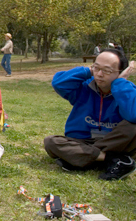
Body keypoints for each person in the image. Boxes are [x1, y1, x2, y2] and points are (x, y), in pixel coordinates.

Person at [44, 49, 136, 180]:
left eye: (107, 70)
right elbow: (58, 83)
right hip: (83, 141)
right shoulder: (83, 87)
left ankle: (82, 159)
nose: (99, 74)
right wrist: (88, 71)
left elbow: (133, 115)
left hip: (114, 142)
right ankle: (112, 160)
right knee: (51, 142)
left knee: (133, 127)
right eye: (96, 68)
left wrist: (120, 83)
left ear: (120, 73)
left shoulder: (127, 90)